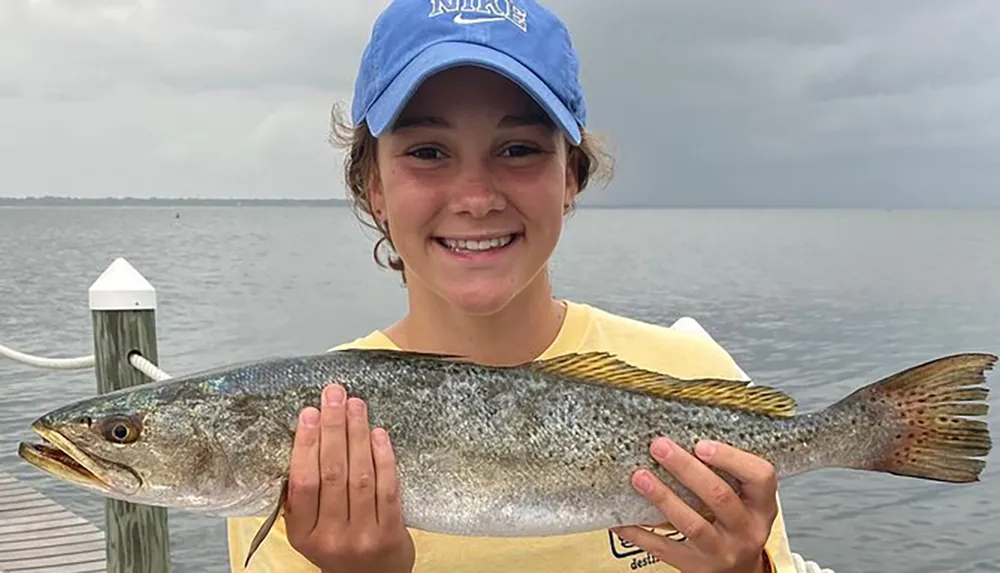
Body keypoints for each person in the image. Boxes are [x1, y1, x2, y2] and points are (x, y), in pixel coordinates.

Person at [227, 1, 801, 571]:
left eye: (519, 150)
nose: (476, 198)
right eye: (429, 153)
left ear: (571, 177)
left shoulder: (692, 373)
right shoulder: (313, 446)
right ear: (372, 186)